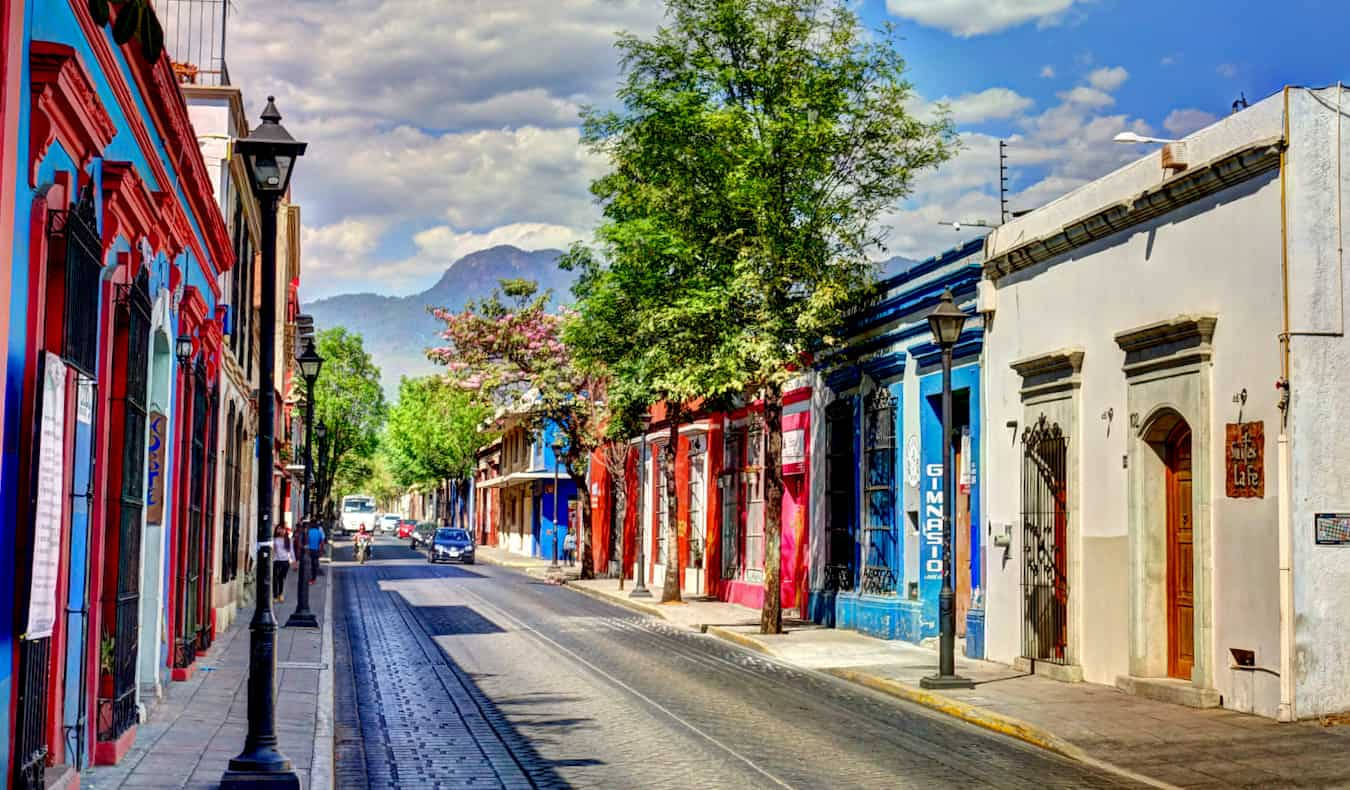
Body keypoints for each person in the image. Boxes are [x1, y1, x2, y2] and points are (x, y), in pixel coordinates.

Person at [273, 525, 293, 602]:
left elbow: (291, 551)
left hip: (285, 561)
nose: (281, 531)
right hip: (276, 560)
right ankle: (275, 596)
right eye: (279, 529)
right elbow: (273, 550)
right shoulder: (274, 539)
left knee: (281, 578)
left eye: (282, 529)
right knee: (275, 579)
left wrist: (293, 561)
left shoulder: (288, 540)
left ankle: (280, 594)